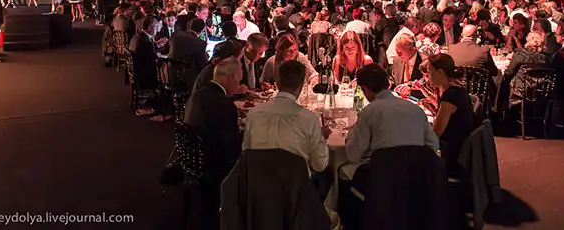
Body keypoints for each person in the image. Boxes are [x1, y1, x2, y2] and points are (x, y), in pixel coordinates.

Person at [243, 60, 333, 200]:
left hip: (259, 189)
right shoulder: (309, 119)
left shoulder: (254, 114)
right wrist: (319, 137)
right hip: (294, 193)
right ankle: (316, 212)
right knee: (328, 175)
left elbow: (246, 152)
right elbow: (320, 164)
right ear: (301, 85)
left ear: (278, 82)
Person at [184, 58, 243, 230]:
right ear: (230, 78)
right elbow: (230, 147)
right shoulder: (224, 105)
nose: (238, 86)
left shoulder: (199, 94)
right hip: (213, 163)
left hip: (194, 157)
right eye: (238, 81)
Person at [345, 63, 439, 164]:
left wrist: (352, 132)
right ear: (388, 84)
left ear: (365, 89)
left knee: (345, 168)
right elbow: (433, 145)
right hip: (416, 170)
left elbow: (353, 154)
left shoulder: (369, 112)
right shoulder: (416, 109)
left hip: (382, 171)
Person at [427, 53, 474, 178]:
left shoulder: (451, 96)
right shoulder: (456, 87)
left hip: (452, 154)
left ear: (440, 72)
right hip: (460, 148)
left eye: (430, 73)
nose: (428, 77)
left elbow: (435, 134)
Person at [499, 32, 553, 112]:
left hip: (521, 93)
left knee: (504, 82)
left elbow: (509, 72)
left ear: (528, 41)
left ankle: (501, 112)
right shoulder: (548, 59)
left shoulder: (521, 55)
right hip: (541, 93)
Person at [168, 18, 209, 90]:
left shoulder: (175, 35)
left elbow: (165, 50)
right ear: (203, 30)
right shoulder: (200, 43)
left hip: (171, 75)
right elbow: (202, 65)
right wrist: (206, 56)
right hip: (188, 81)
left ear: (190, 26)